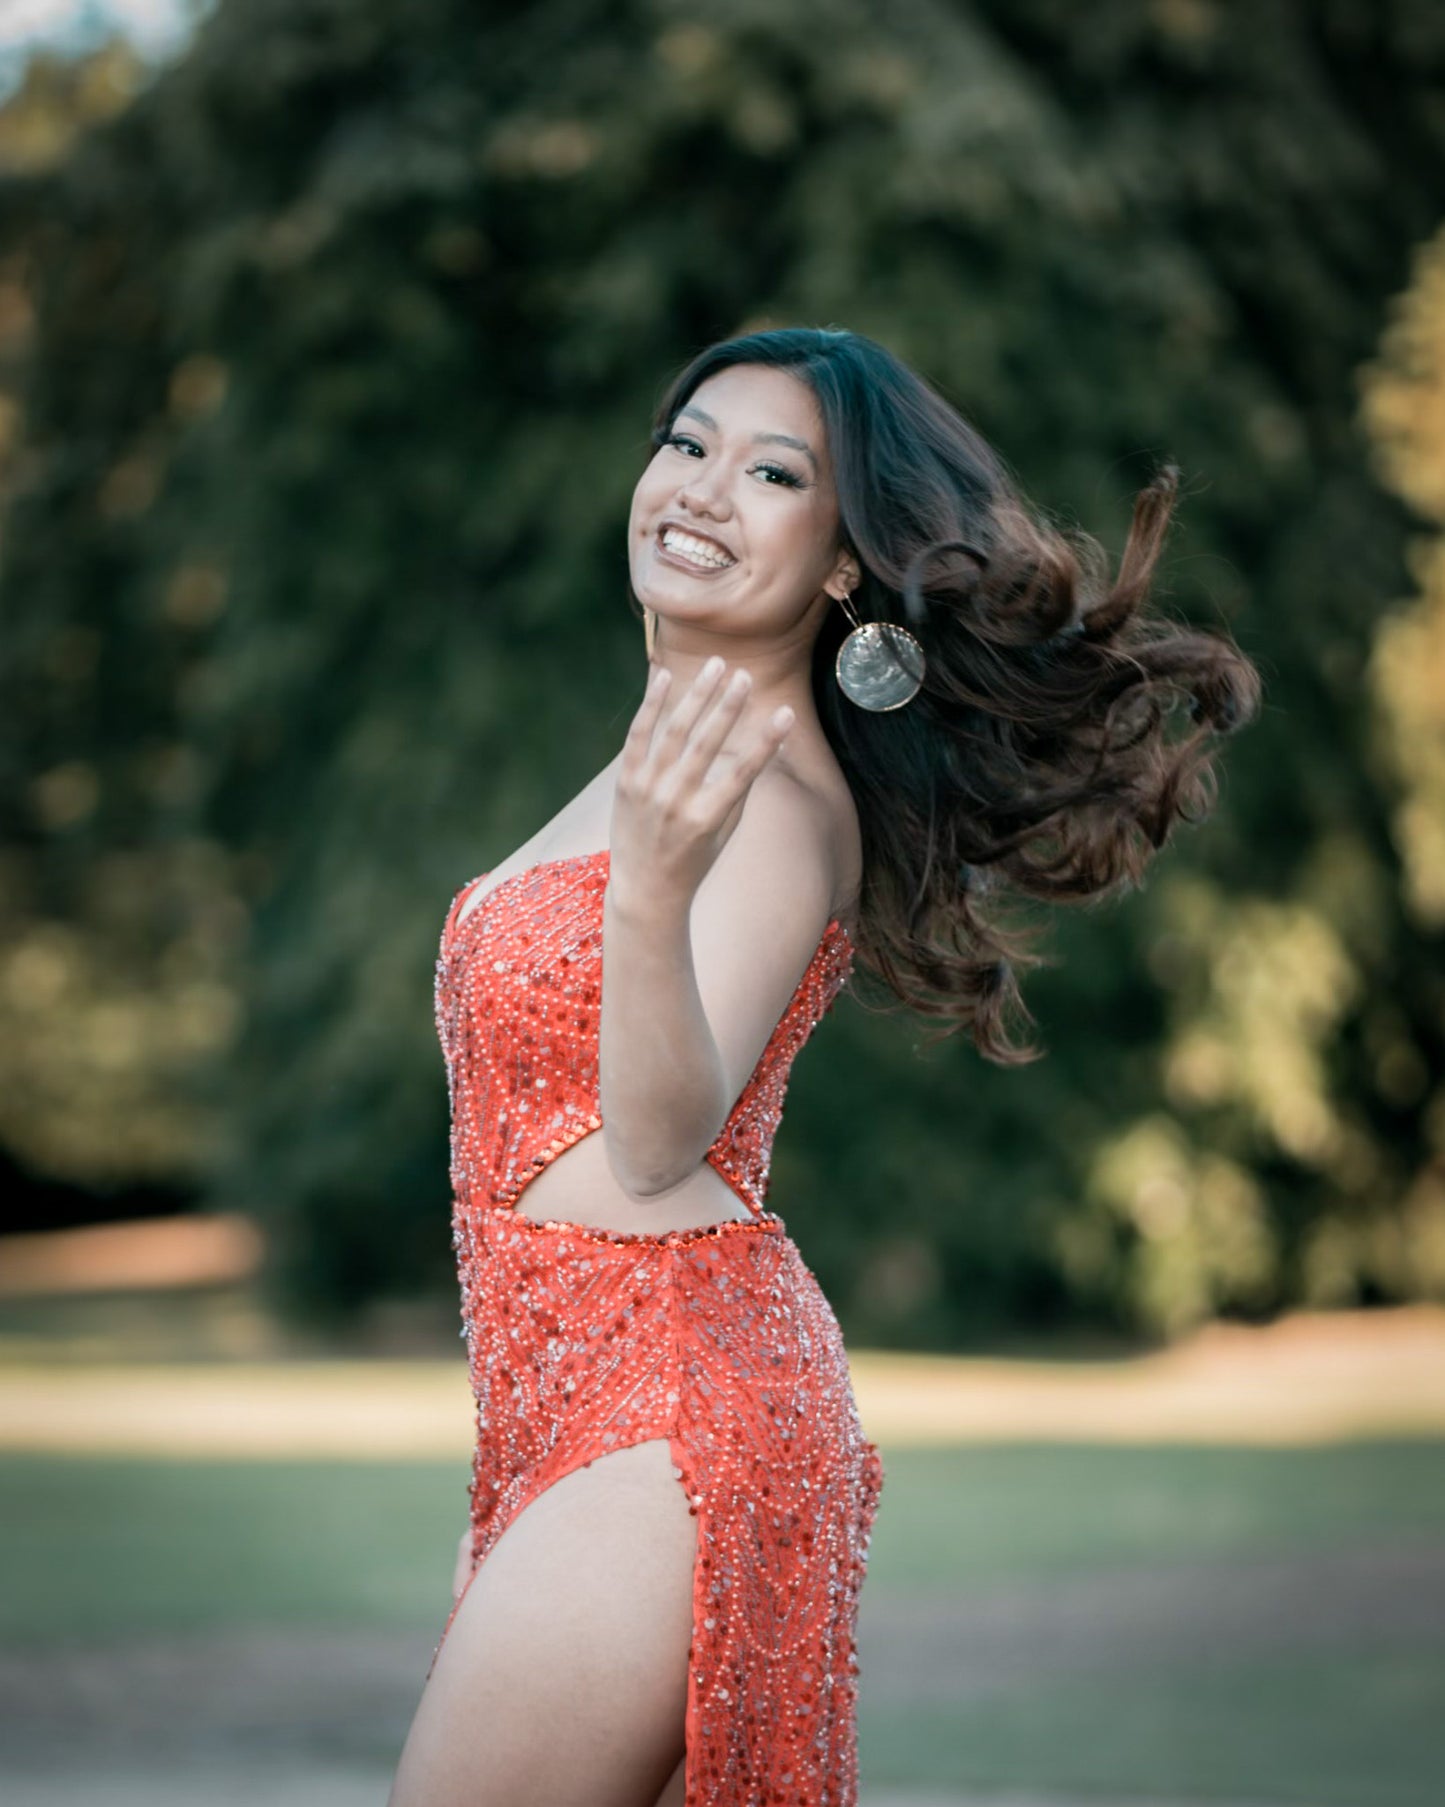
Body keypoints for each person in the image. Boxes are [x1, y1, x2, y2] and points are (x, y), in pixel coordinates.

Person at [387, 327, 1260, 1807]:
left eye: (773, 471)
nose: (703, 489)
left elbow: (660, 1143)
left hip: (672, 1405)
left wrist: (650, 894)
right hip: (562, 1394)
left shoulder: (776, 799)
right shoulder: (665, 758)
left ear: (843, 562)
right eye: (687, 445)